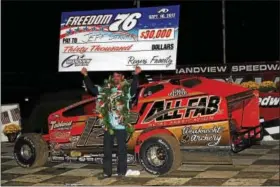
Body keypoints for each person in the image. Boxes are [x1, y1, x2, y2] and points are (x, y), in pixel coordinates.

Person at [81, 66, 142, 178]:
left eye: (118, 76)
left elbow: (134, 88)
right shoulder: (106, 89)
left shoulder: (126, 90)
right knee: (107, 150)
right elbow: (92, 89)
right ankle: (107, 172)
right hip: (108, 126)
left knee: (122, 151)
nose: (115, 78)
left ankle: (122, 172)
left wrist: (136, 74)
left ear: (122, 77)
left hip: (121, 125)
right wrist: (85, 75)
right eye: (114, 76)